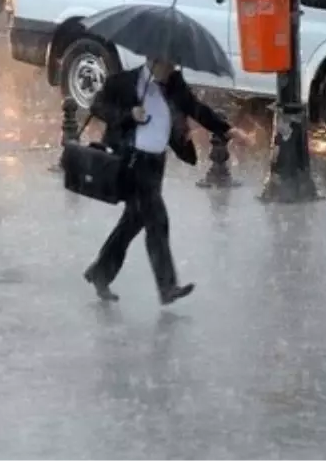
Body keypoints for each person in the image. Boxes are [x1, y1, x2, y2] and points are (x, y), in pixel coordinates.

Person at [84, 59, 252, 305]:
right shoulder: (124, 82)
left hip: (155, 163)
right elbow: (97, 106)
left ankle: (100, 272)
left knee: (133, 220)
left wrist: (227, 130)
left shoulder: (174, 84)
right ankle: (167, 286)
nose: (172, 68)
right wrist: (128, 115)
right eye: (168, 63)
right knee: (157, 220)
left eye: (174, 63)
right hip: (131, 161)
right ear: (153, 59)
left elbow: (196, 109)